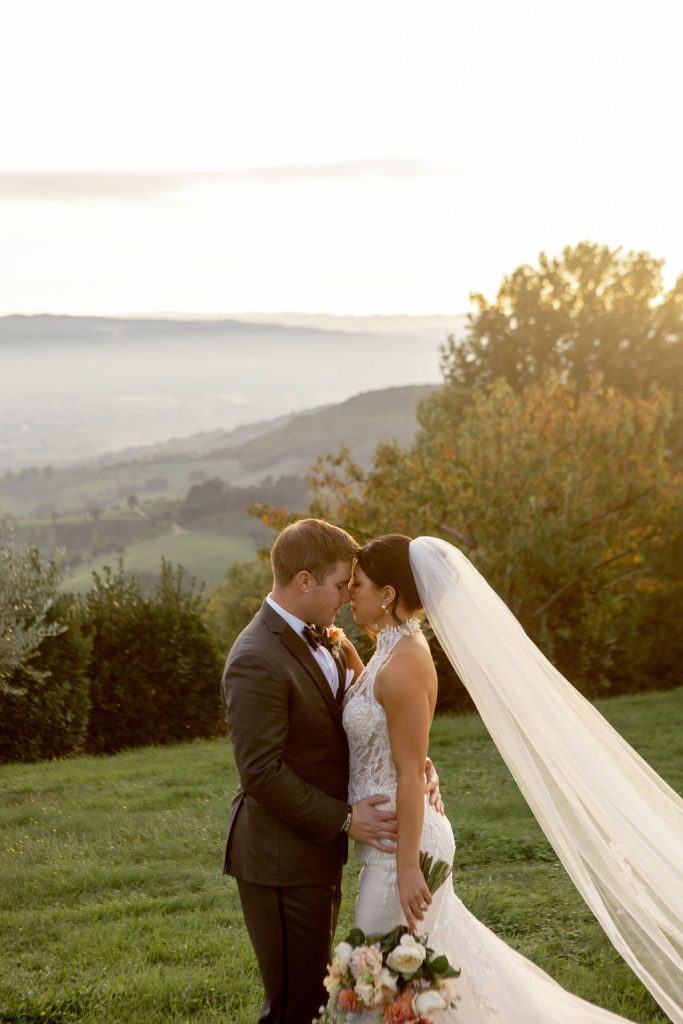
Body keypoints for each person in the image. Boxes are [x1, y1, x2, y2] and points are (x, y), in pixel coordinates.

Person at [342, 533, 683, 1023]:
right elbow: (380, 717)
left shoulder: (406, 661)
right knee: (412, 981)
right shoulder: (388, 652)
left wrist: (409, 867)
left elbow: (409, 771)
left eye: (359, 584)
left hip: (404, 847)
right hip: (392, 839)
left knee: (382, 980)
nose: (351, 592)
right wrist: (341, 650)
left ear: (389, 594)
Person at [220, 518, 442, 1024]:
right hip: (278, 858)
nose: (346, 595)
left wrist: (419, 763)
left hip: (321, 854)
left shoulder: (337, 643)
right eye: (342, 584)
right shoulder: (255, 657)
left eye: (353, 585)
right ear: (304, 581)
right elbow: (260, 772)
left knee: (324, 996)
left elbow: (377, 716)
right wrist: (346, 819)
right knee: (294, 1005)